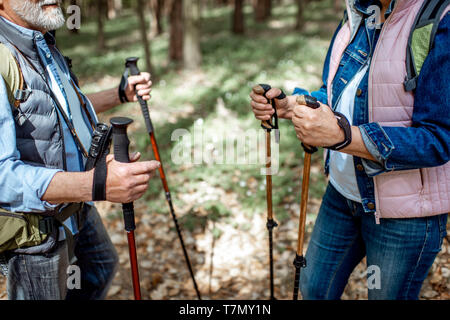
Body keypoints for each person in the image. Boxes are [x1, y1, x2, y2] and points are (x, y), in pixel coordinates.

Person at [250, 0, 449, 299]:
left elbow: (438, 138)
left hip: (404, 214)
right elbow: (337, 92)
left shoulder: (437, 18)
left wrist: (342, 136)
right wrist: (293, 105)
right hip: (343, 194)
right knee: (314, 288)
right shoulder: (358, 12)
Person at [0, 0, 160, 299]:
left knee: (100, 268)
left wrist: (119, 94)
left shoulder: (42, 42)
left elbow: (62, 108)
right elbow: (2, 178)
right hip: (35, 233)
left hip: (75, 207)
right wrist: (98, 185)